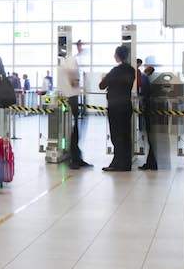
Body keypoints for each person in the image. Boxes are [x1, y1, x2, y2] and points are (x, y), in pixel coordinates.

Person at [99, 44, 136, 172]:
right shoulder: (131, 70)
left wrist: (105, 78)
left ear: (117, 55)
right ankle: (126, 163)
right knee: (126, 134)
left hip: (115, 106)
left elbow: (102, 85)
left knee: (116, 135)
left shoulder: (115, 71)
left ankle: (118, 163)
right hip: (126, 106)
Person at [58, 40, 91, 168]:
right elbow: (72, 76)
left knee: (77, 128)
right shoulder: (70, 60)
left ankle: (77, 156)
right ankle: (75, 158)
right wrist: (75, 84)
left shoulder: (68, 60)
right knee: (75, 128)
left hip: (72, 95)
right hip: (72, 96)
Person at [140, 62, 158, 170]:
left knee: (150, 138)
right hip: (150, 111)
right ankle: (151, 162)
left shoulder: (144, 79)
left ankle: (151, 163)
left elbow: (144, 94)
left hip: (147, 111)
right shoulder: (147, 79)